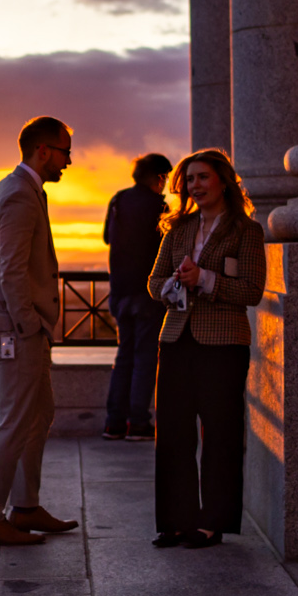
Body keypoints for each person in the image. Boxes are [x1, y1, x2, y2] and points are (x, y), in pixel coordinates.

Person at [0, 115, 81, 549]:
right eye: (65, 151)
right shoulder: (18, 194)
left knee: (38, 414)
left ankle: (26, 506)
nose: (69, 161)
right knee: (14, 421)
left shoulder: (18, 189)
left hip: (19, 326)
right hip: (16, 329)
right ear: (43, 150)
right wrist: (29, 324)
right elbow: (11, 271)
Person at [146, 148, 265, 548]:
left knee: (220, 434)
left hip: (224, 344)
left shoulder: (246, 231)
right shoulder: (177, 229)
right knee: (173, 433)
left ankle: (212, 523)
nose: (195, 186)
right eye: (189, 180)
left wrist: (206, 279)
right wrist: (177, 283)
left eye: (202, 178)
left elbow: (251, 290)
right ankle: (176, 521)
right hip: (176, 338)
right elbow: (153, 282)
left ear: (223, 181)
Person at [101, 153, 173, 440]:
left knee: (124, 356)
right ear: (158, 176)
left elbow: (108, 237)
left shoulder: (118, 200)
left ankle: (114, 423)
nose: (165, 184)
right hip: (148, 292)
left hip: (119, 290)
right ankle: (139, 423)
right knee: (145, 358)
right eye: (164, 178)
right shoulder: (159, 206)